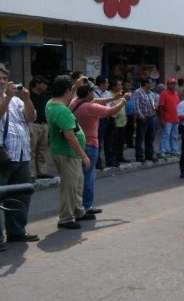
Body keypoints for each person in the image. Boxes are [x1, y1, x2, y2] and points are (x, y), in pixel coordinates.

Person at [0, 62, 39, 252]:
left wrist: (26, 99)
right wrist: (8, 98)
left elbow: (30, 117)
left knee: (21, 195)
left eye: (4, 78)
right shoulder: (0, 99)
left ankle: (17, 231)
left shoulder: (17, 100)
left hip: (21, 155)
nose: (2, 82)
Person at [70, 82, 128, 215]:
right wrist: (123, 99)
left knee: (78, 178)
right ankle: (87, 206)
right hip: (90, 144)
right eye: (92, 92)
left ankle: (77, 205)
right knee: (88, 177)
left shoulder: (75, 102)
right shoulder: (90, 107)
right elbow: (111, 111)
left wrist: (113, 99)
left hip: (77, 143)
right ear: (87, 94)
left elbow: (97, 100)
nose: (93, 94)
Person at [46, 74, 95, 230]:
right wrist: (84, 155)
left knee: (77, 183)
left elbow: (66, 98)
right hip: (67, 153)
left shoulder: (52, 103)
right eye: (71, 89)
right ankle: (66, 218)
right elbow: (70, 136)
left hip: (66, 153)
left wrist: (75, 86)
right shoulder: (61, 111)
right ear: (67, 90)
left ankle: (78, 211)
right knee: (70, 187)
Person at [28, 75, 54, 180]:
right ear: (37, 84)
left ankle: (42, 172)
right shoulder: (28, 96)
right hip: (33, 124)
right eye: (43, 83)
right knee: (31, 149)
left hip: (44, 124)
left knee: (42, 150)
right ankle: (31, 173)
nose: (46, 86)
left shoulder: (46, 96)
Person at [133, 79, 158, 163]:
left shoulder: (151, 93)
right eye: (150, 83)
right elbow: (136, 106)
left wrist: (154, 106)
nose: (152, 85)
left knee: (150, 138)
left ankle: (149, 154)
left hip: (151, 117)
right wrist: (141, 116)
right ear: (146, 84)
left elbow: (152, 103)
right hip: (143, 118)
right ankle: (139, 156)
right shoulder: (138, 92)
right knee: (140, 138)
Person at [157, 78, 180, 158]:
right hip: (167, 119)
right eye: (171, 84)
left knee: (174, 136)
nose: (173, 85)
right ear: (168, 85)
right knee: (165, 135)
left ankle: (174, 150)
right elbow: (161, 107)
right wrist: (161, 119)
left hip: (175, 118)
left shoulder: (176, 93)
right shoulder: (164, 93)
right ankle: (162, 151)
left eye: (174, 84)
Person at [93, 77, 111, 170]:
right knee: (98, 142)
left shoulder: (108, 93)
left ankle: (109, 160)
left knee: (109, 141)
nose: (108, 84)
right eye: (106, 82)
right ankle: (97, 162)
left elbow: (110, 105)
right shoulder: (94, 94)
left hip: (108, 118)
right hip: (99, 119)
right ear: (101, 84)